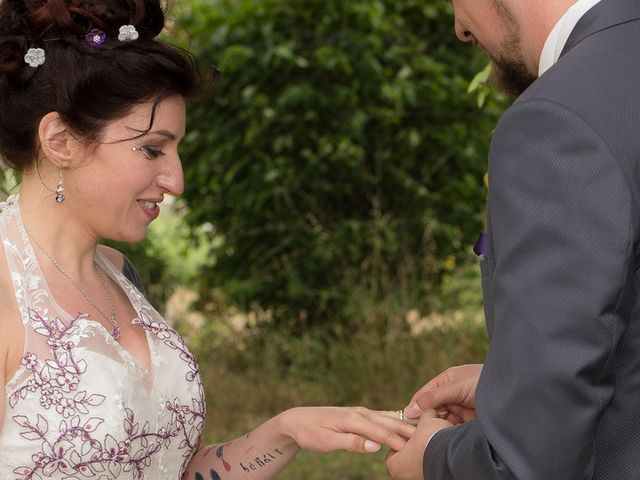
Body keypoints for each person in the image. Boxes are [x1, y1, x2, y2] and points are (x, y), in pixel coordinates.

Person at [0, 0, 416, 478]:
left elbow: (163, 468)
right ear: (61, 141)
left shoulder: (117, 272)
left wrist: (285, 431)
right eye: (152, 149)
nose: (175, 181)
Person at [385, 0, 640, 478]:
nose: (460, 28)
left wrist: (437, 458)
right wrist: (515, 385)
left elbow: (529, 463)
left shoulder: (558, 117)